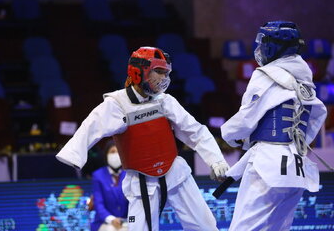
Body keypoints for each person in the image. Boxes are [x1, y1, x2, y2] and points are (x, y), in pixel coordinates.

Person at [56, 46, 229, 231]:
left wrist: (216, 160)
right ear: (138, 72)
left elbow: (194, 131)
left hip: (175, 172)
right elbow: (90, 128)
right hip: (141, 180)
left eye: (166, 73)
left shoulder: (165, 101)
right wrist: (73, 155)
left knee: (206, 226)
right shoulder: (117, 104)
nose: (163, 79)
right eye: (159, 72)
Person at [221, 21, 327, 231]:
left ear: (273, 46)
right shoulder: (305, 81)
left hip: (268, 166)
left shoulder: (265, 75)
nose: (259, 48)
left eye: (263, 42)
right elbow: (318, 114)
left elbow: (245, 120)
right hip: (296, 167)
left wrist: (228, 134)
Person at [91, 140, 128, 231]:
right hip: (104, 221)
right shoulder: (98, 175)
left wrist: (129, 220)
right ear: (106, 155)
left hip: (127, 221)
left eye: (119, 152)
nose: (116, 155)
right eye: (112, 152)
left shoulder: (129, 174)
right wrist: (112, 219)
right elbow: (98, 204)